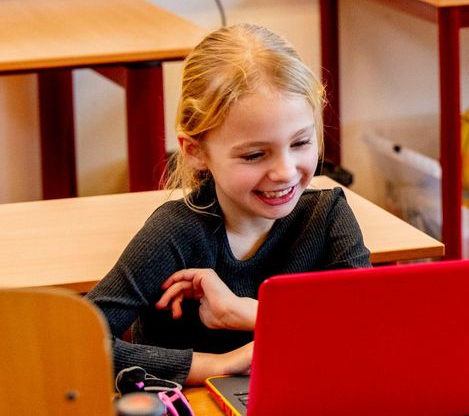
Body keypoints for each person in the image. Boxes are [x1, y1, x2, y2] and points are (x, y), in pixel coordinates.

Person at [87, 23, 370, 385]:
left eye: (300, 143)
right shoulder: (176, 231)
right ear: (195, 151)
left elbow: (364, 330)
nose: (284, 172)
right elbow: (77, 341)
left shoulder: (327, 214)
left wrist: (248, 312)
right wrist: (217, 365)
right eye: (254, 155)